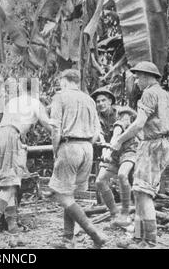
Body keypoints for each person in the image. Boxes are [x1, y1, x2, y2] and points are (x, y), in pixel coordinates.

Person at [0, 79, 52, 248]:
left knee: (7, 185)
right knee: (9, 187)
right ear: (36, 90)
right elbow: (48, 125)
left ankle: (14, 233)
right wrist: (61, 139)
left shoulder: (13, 102)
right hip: (11, 136)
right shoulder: (35, 103)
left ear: (20, 88)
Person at [111, 61, 169, 248]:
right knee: (139, 192)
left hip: (152, 146)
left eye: (138, 77)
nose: (137, 81)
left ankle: (149, 241)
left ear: (147, 76)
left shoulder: (149, 93)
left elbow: (139, 123)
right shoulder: (165, 95)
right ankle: (138, 238)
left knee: (144, 194)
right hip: (160, 144)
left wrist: (119, 140)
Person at [49, 69, 107, 249]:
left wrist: (55, 148)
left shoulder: (60, 97)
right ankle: (68, 239)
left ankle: (95, 233)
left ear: (65, 81)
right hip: (87, 148)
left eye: (60, 81)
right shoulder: (89, 99)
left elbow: (55, 128)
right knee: (70, 193)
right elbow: (97, 131)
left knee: (61, 195)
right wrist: (87, 143)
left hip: (70, 146)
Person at [95, 106, 138, 227]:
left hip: (130, 152)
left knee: (122, 175)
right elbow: (112, 136)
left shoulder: (133, 126)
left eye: (128, 116)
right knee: (100, 181)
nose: (125, 118)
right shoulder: (112, 122)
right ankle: (114, 213)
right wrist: (107, 152)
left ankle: (125, 212)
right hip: (115, 154)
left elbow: (117, 135)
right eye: (123, 116)